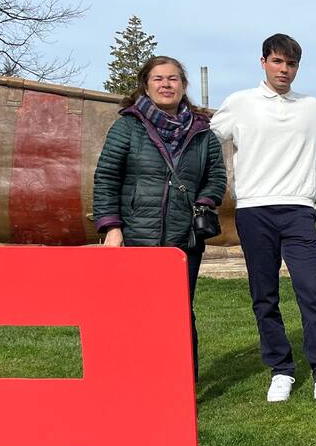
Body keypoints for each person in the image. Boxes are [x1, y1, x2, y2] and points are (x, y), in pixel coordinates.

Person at [210, 34, 316, 409]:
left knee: (310, 292)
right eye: (278, 62)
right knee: (264, 295)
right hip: (253, 212)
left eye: (291, 64)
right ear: (264, 62)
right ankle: (281, 370)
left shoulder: (312, 107)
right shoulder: (239, 104)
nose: (284, 70)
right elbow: (203, 139)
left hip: (299, 210)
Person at [94, 56, 227, 380]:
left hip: (185, 239)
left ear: (183, 85)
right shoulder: (128, 126)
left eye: (173, 79)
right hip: (139, 235)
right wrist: (112, 228)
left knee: (180, 312)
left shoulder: (201, 131)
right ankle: (138, 379)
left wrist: (203, 203)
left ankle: (182, 385)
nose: (166, 84)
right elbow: (107, 177)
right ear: (146, 84)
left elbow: (216, 175)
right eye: (158, 78)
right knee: (136, 313)